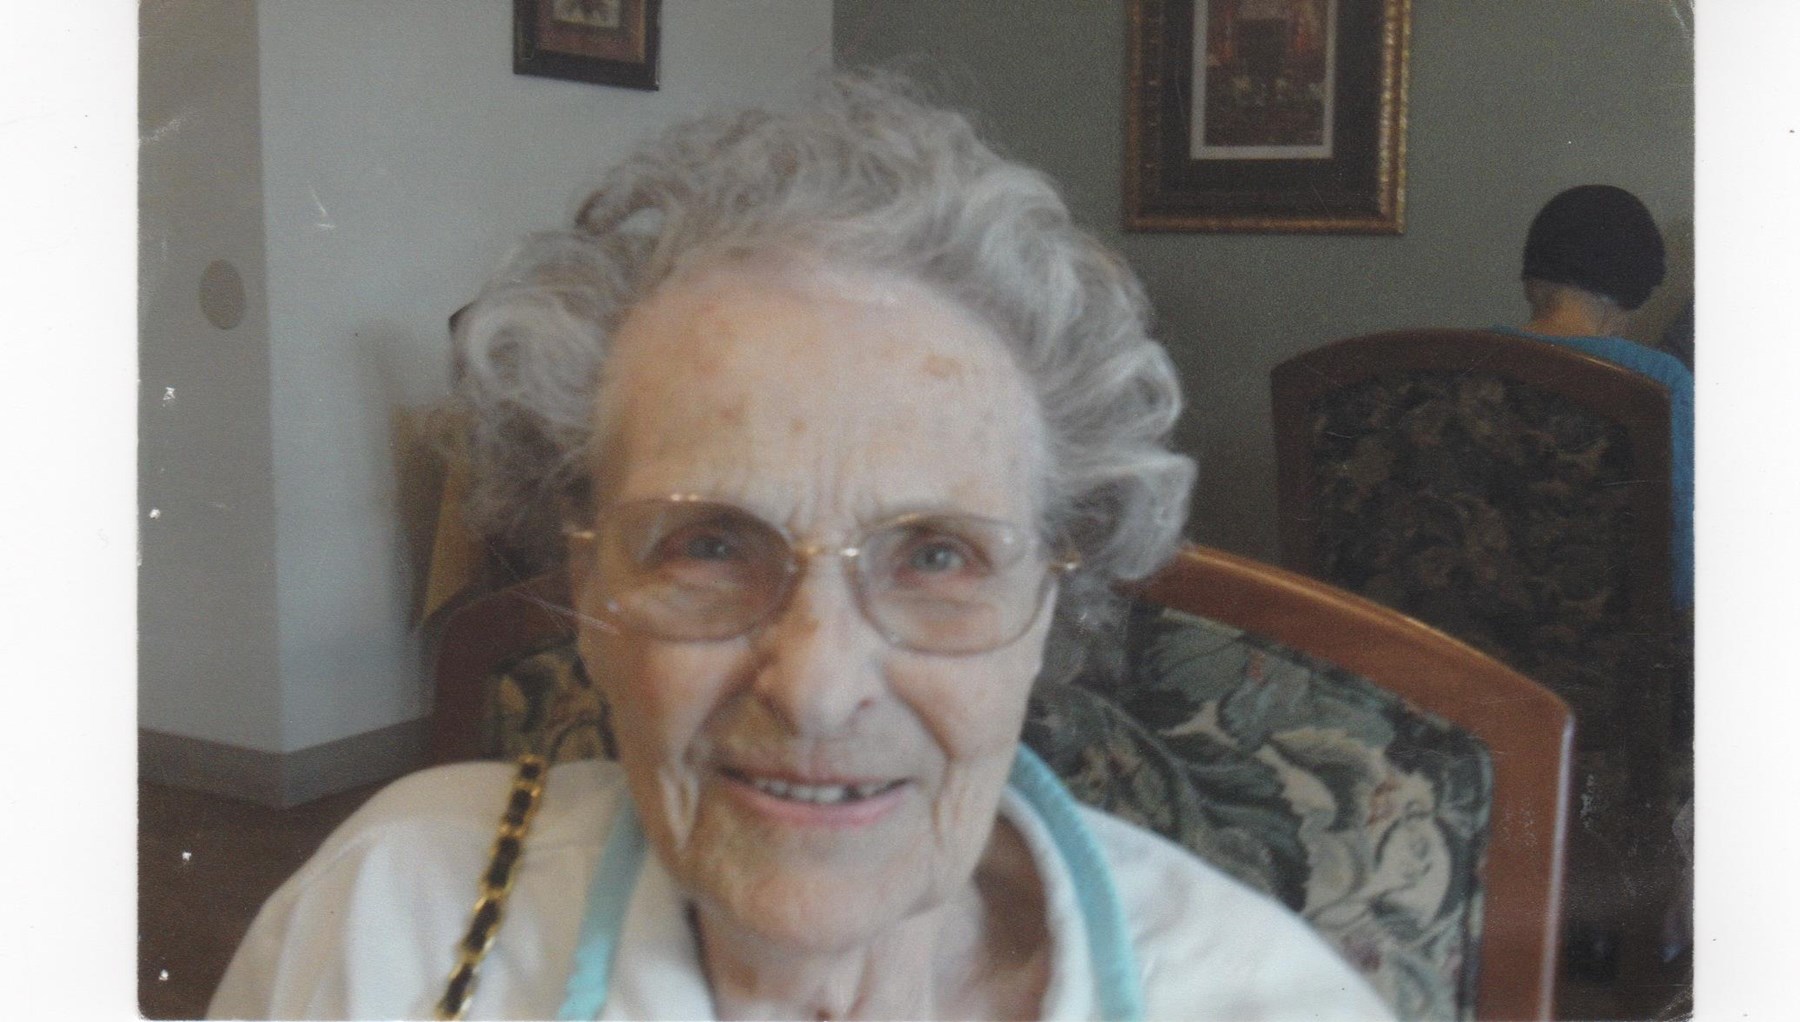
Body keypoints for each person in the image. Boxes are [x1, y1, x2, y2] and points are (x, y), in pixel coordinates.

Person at [208, 76, 1391, 1021]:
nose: (818, 686)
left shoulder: (1264, 998)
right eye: (712, 542)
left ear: (1047, 602)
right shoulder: (387, 923)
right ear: (587, 587)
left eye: (936, 555)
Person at [1494, 184, 1694, 609]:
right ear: (1631, 295)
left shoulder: (1461, 357)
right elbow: (1680, 555)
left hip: (1466, 631)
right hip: (1611, 632)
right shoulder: (1660, 379)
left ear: (1530, 282)